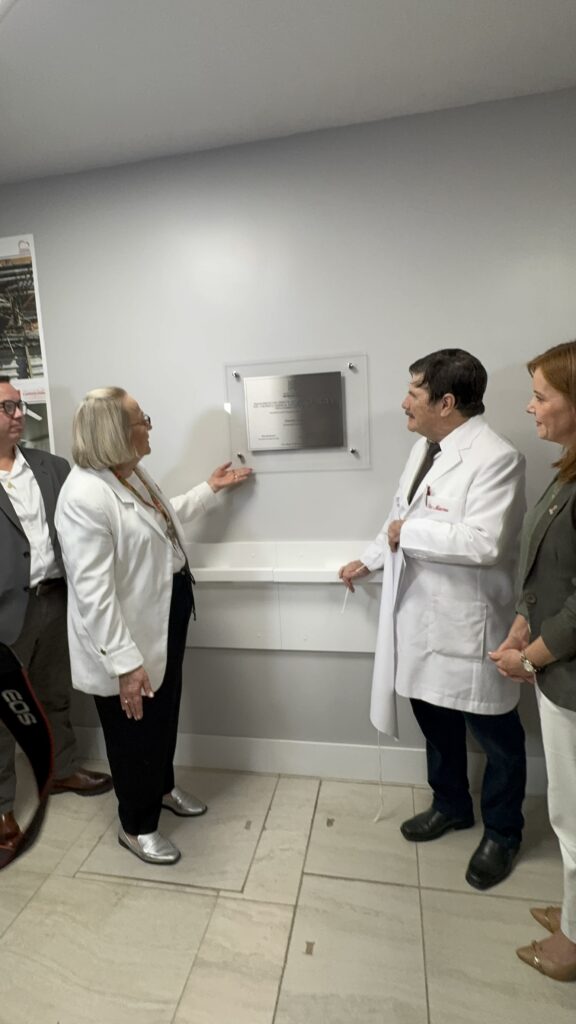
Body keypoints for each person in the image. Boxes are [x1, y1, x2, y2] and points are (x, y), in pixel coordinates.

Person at [339, 349, 527, 889]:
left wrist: (409, 534)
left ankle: (503, 833)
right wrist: (370, 558)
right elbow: (398, 516)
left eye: (413, 393)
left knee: (497, 737)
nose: (404, 402)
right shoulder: (425, 448)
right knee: (434, 720)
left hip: (469, 626)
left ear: (446, 402)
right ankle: (450, 805)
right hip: (418, 617)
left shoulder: (497, 458)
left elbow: (485, 542)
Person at [55, 387, 252, 865]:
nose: (149, 426)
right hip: (123, 638)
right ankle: (136, 825)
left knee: (163, 715)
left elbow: (161, 521)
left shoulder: (129, 475)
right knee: (133, 735)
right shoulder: (84, 496)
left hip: (163, 617)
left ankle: (161, 788)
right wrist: (125, 665)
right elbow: (94, 595)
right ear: (115, 432)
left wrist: (208, 490)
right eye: (141, 419)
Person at [490, 340, 576, 982]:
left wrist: (531, 657)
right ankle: (575, 914)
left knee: (573, 816)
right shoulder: (567, 471)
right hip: (554, 667)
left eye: (542, 396)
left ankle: (572, 944)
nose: (530, 407)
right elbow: (547, 568)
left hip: (567, 673)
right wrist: (522, 624)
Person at [0, 377, 112, 851]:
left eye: (19, 405)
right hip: (4, 611)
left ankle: (62, 770)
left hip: (54, 599)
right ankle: (2, 807)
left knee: (54, 694)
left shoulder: (52, 467)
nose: (19, 415)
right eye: (7, 407)